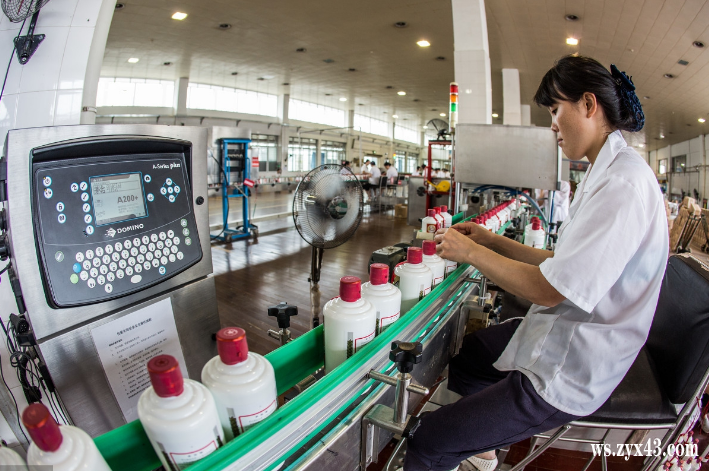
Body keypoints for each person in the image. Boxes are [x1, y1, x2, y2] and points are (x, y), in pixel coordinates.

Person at [404, 56, 668, 471]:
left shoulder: (622, 183)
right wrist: (493, 242)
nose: (553, 126)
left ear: (587, 104)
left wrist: (473, 253)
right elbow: (563, 264)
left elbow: (550, 288)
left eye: (555, 110)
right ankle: (484, 453)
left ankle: (452, 446)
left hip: (576, 366)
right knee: (472, 354)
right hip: (566, 331)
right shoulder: (605, 170)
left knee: (426, 441)